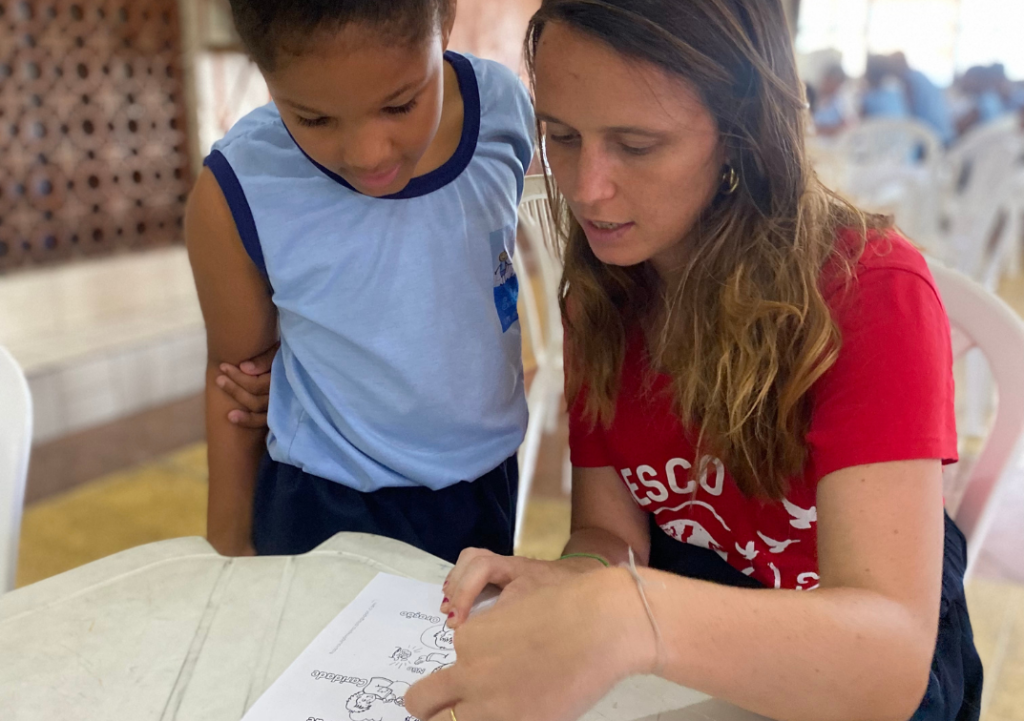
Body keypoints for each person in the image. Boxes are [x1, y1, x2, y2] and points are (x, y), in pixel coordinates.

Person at [400, 2, 981, 720]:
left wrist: (625, 614)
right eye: (561, 136)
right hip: (686, 618)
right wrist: (571, 586)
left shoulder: (869, 294)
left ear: (742, 134)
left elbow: (887, 660)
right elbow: (610, 535)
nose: (586, 188)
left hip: (846, 652)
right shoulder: (605, 298)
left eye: (637, 145)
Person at [185, 0, 535, 562]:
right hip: (324, 500)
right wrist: (228, 546)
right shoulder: (239, 186)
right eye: (314, 119)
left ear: (444, 22)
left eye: (400, 105)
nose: (369, 154)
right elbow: (235, 381)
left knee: (462, 648)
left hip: (485, 483)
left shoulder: (501, 109)